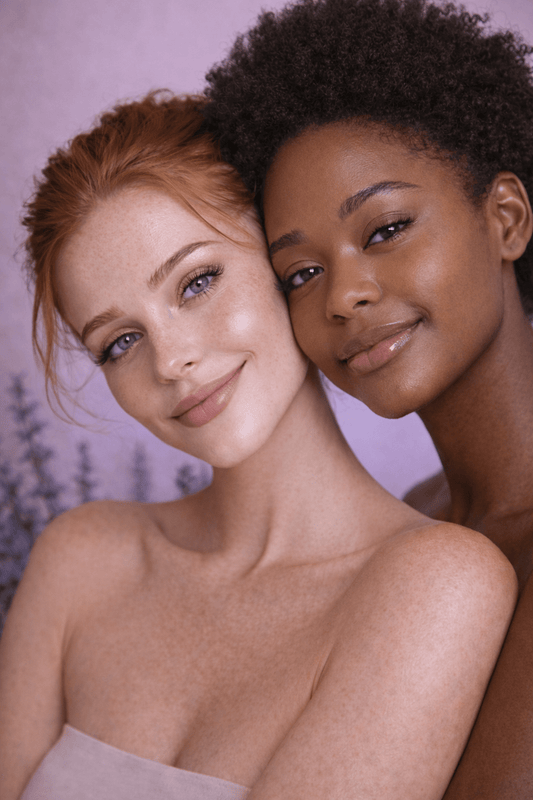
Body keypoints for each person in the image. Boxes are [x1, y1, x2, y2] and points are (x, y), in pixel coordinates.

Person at [0, 92, 516, 800]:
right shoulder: (79, 559)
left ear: (283, 261)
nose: (171, 361)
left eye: (197, 282)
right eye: (119, 342)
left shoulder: (435, 586)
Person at [202, 0, 533, 796]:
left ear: (506, 219)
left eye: (384, 229)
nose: (342, 296)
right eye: (302, 274)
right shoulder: (418, 523)